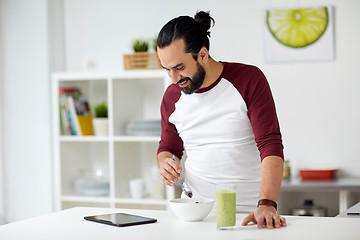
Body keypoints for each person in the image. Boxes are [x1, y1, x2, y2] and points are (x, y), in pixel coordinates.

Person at [156, 10, 286, 229]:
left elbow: (270, 143)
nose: (173, 78)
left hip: (250, 214)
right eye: (167, 69)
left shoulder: (249, 80)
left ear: (203, 55)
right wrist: (165, 164)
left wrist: (267, 204)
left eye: (179, 67)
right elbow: (168, 147)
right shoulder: (172, 96)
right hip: (194, 215)